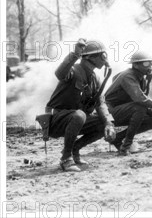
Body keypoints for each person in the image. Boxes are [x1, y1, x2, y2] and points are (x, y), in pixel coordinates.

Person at [45, 39, 116, 172]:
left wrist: (108, 123)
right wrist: (75, 55)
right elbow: (60, 74)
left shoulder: (95, 78)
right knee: (79, 115)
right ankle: (66, 159)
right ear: (89, 57)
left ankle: (75, 150)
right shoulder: (73, 70)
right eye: (102, 56)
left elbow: (100, 103)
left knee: (103, 122)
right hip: (56, 120)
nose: (104, 59)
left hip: (77, 119)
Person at [104, 51, 152, 155]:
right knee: (139, 108)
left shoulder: (139, 77)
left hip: (122, 110)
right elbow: (140, 99)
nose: (150, 66)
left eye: (150, 63)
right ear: (135, 65)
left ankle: (118, 139)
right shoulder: (128, 76)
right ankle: (125, 146)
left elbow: (142, 100)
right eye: (146, 64)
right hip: (108, 112)